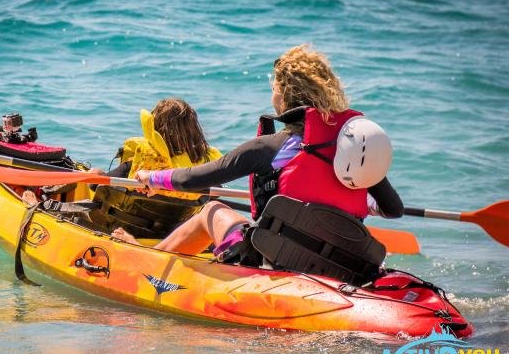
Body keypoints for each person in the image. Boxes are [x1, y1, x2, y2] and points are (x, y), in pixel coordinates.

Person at [112, 45, 404, 267]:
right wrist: (360, 203)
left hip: (278, 259)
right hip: (338, 262)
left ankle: (143, 263)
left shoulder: (270, 148)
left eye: (274, 87)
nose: (272, 95)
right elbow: (393, 209)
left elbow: (195, 178)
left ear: (286, 93)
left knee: (211, 211)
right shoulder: (355, 147)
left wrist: (152, 177)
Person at [28, 98, 222, 239]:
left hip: (120, 227)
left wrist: (95, 175)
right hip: (168, 230)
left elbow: (98, 188)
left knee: (92, 175)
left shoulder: (139, 164)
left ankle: (37, 202)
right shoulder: (203, 170)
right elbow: (214, 195)